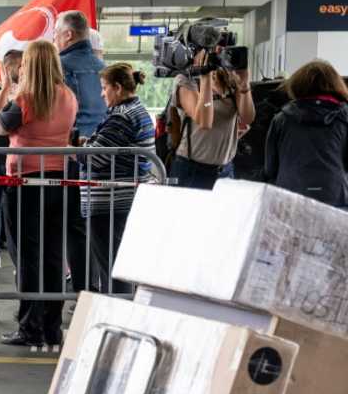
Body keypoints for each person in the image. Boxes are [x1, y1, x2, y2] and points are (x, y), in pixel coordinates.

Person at [0, 39, 78, 349]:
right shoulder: (68, 96)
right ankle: (52, 327)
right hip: (62, 179)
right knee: (54, 255)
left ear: (31, 65)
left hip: (24, 181)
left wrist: (3, 91)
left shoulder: (26, 100)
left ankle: (30, 325)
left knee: (26, 256)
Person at [79, 63, 157, 293]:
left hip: (110, 204)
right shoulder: (136, 111)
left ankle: (118, 312)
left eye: (104, 88)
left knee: (112, 267)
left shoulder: (122, 117)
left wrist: (75, 149)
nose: (102, 93)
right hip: (123, 201)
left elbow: (95, 158)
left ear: (118, 87)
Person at [55, 10, 105, 295]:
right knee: (96, 224)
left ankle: (82, 290)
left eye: (56, 34)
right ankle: (97, 287)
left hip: (71, 155)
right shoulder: (102, 67)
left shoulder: (60, 68)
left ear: (69, 35)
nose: (54, 40)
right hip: (102, 156)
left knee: (74, 226)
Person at [171, 23, 255, 190]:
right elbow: (205, 121)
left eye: (217, 47)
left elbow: (247, 118)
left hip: (225, 170)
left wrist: (244, 86)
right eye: (209, 49)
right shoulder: (185, 80)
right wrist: (205, 78)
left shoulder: (229, 78)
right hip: (192, 170)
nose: (215, 52)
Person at [265, 59, 348, 208]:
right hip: (336, 197)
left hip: (290, 196)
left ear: (298, 85)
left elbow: (270, 167)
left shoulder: (281, 119)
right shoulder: (345, 118)